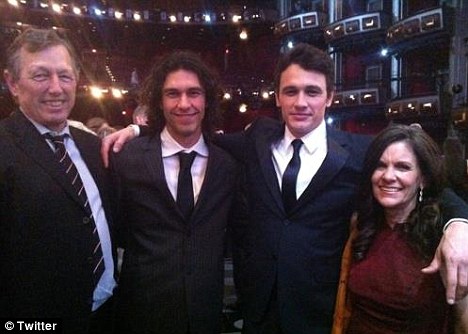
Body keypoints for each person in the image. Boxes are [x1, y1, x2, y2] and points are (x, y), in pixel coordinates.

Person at [101, 43, 468, 334]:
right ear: (277, 96)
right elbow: (191, 135)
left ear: (329, 96)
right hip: (257, 313)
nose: (301, 102)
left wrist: (459, 226)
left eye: (312, 91)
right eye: (290, 91)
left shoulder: (359, 153)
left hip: (320, 313)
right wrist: (139, 131)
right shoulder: (255, 140)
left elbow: (429, 185)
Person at [110, 51, 240, 334]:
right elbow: (115, 229)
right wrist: (137, 131)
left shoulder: (228, 166)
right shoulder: (126, 158)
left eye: (194, 93)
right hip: (140, 315)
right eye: (173, 94)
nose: (184, 104)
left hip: (204, 316)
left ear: (207, 99)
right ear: (159, 100)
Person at [0, 28, 117, 334]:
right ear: (12, 83)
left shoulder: (92, 146)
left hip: (106, 312)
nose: (56, 88)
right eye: (41, 75)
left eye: (64, 76)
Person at [332, 124, 468, 333]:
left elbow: (462, 323)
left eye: (402, 167)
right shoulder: (362, 227)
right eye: (380, 165)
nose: (388, 176)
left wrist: (460, 224)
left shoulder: (447, 240)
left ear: (422, 179)